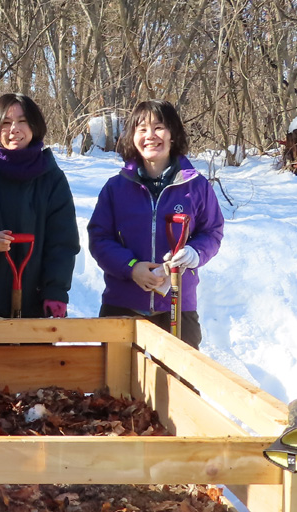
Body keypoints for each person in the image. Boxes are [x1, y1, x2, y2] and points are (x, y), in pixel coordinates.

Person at [86, 100, 224, 348]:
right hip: (122, 302)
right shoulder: (116, 188)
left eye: (159, 127)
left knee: (180, 382)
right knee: (115, 382)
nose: (150, 136)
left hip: (176, 302)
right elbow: (100, 239)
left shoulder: (196, 187)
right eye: (141, 129)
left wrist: (195, 253)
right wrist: (131, 267)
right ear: (132, 136)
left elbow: (212, 231)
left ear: (173, 134)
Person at [0, 93, 79, 318]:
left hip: (38, 302)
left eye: (22, 121)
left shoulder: (52, 180)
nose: (14, 129)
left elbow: (63, 241)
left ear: (34, 125)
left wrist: (55, 290)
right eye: (6, 123)